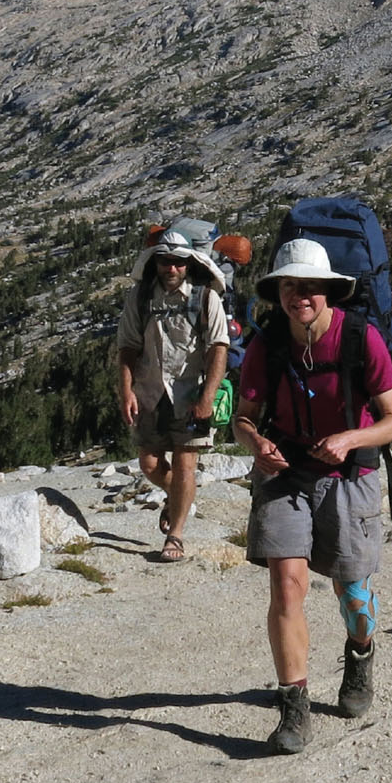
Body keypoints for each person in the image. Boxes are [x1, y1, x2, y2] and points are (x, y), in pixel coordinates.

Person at [231, 239, 392, 755]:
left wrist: (350, 438)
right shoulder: (269, 344)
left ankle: (360, 653)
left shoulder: (360, 338)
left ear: (328, 291)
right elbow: (243, 417)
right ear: (278, 291)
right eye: (289, 286)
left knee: (352, 589)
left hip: (350, 472)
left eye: (308, 286)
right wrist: (255, 442)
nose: (298, 296)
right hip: (285, 471)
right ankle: (294, 706)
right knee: (287, 586)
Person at [117, 229, 230, 562]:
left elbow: (218, 348)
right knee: (150, 465)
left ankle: (175, 537)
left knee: (185, 465)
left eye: (179, 262)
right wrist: (125, 391)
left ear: (188, 264)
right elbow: (127, 348)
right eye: (166, 261)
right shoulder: (139, 298)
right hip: (150, 391)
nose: (172, 268)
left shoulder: (206, 297)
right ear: (156, 262)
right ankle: (178, 497)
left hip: (190, 392)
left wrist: (207, 396)